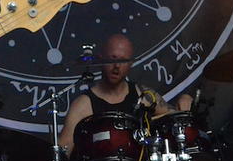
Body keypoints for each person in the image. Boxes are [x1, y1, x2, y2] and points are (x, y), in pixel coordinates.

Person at [57, 33, 191, 153]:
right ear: (101, 59)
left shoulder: (143, 94)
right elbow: (63, 151)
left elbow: (176, 117)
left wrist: (184, 100)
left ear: (130, 64)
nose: (117, 66)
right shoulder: (83, 104)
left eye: (123, 61)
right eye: (113, 58)